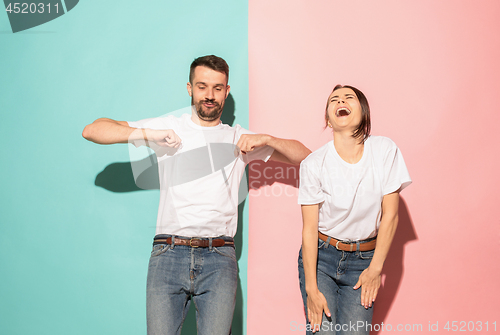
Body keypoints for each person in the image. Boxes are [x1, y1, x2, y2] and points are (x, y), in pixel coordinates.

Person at [82, 55, 311, 335]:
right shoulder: (168, 128)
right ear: (189, 88)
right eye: (202, 86)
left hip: (220, 257)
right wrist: (148, 134)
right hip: (168, 253)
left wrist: (268, 140)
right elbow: (93, 130)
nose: (210, 95)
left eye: (217, 88)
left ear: (227, 91)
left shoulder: (239, 138)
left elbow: (306, 157)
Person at [297, 85, 411, 334]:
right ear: (328, 118)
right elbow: (309, 229)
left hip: (364, 261)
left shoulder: (384, 150)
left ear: (364, 111)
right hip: (322, 258)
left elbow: (390, 215)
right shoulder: (313, 164)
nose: (341, 101)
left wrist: (376, 269)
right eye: (334, 99)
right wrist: (311, 289)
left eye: (349, 98)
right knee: (321, 332)